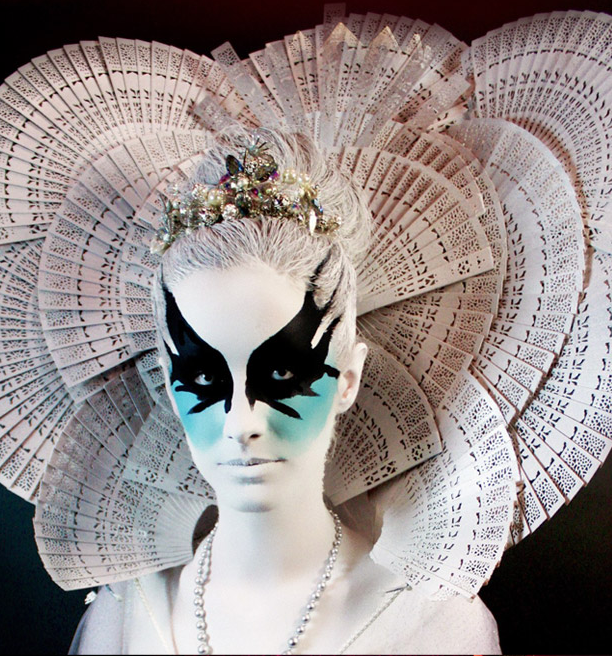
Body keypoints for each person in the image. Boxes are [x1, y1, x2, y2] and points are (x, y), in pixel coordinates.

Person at [68, 129, 499, 654]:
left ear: (348, 380)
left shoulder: (430, 627)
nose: (241, 422)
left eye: (282, 375)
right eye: (204, 379)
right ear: (167, 382)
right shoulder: (129, 616)